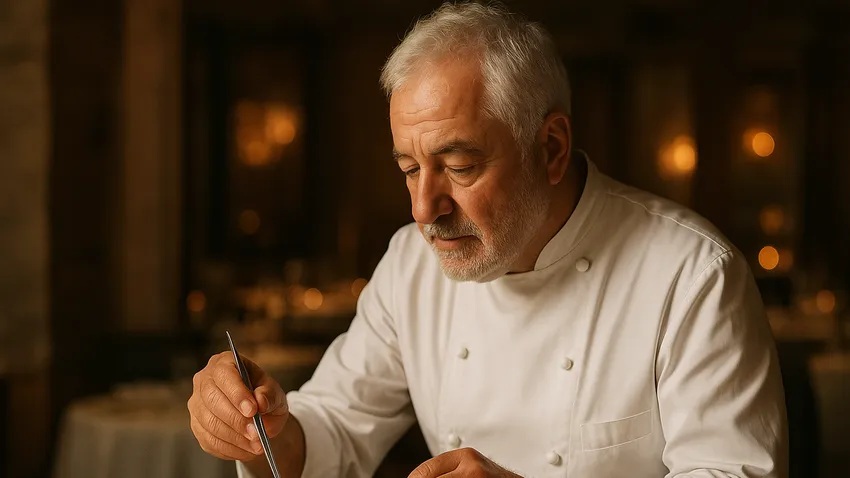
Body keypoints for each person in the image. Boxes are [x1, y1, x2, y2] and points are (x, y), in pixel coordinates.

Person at [188, 3, 788, 477]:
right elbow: (337, 426)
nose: (425, 209)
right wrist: (260, 428)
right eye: (408, 169)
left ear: (550, 148)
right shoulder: (410, 267)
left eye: (460, 165)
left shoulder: (692, 275)